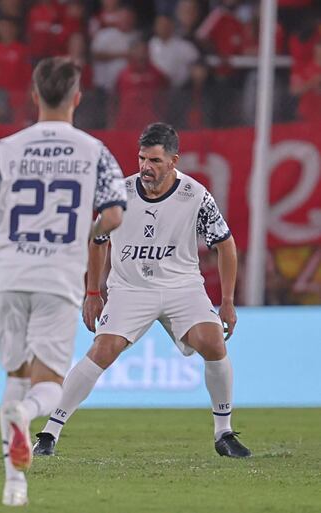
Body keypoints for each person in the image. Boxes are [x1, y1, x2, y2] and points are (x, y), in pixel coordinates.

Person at [0, 57, 127, 507]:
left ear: (34, 96)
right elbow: (113, 214)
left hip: (7, 272)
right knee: (47, 382)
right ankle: (28, 416)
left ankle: (15, 485)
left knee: (15, 375)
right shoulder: (95, 152)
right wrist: (84, 230)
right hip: (57, 274)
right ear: (77, 98)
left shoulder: (4, 148)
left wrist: (8, 215)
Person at [33, 122, 252, 459]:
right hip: (130, 287)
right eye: (141, 159)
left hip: (182, 286)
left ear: (174, 161)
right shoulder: (119, 194)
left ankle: (223, 433)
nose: (145, 168)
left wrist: (227, 301)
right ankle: (49, 433)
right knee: (103, 349)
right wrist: (93, 292)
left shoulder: (195, 195)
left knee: (212, 343)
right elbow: (98, 240)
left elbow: (226, 245)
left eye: (154, 161)